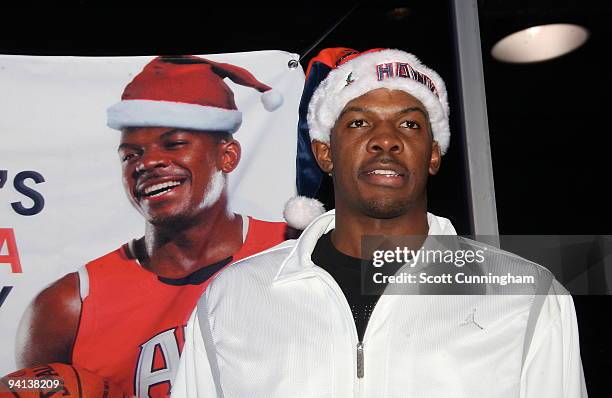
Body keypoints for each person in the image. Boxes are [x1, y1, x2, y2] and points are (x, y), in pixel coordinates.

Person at [171, 48, 587, 398]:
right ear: (325, 153)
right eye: (358, 122)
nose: (386, 139)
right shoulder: (235, 297)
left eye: (409, 123)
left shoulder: (528, 297)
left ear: (433, 154)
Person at [14, 55, 293, 398]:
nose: (148, 162)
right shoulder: (67, 306)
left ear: (228, 156)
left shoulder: (297, 249)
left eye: (173, 144)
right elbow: (25, 387)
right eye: (131, 154)